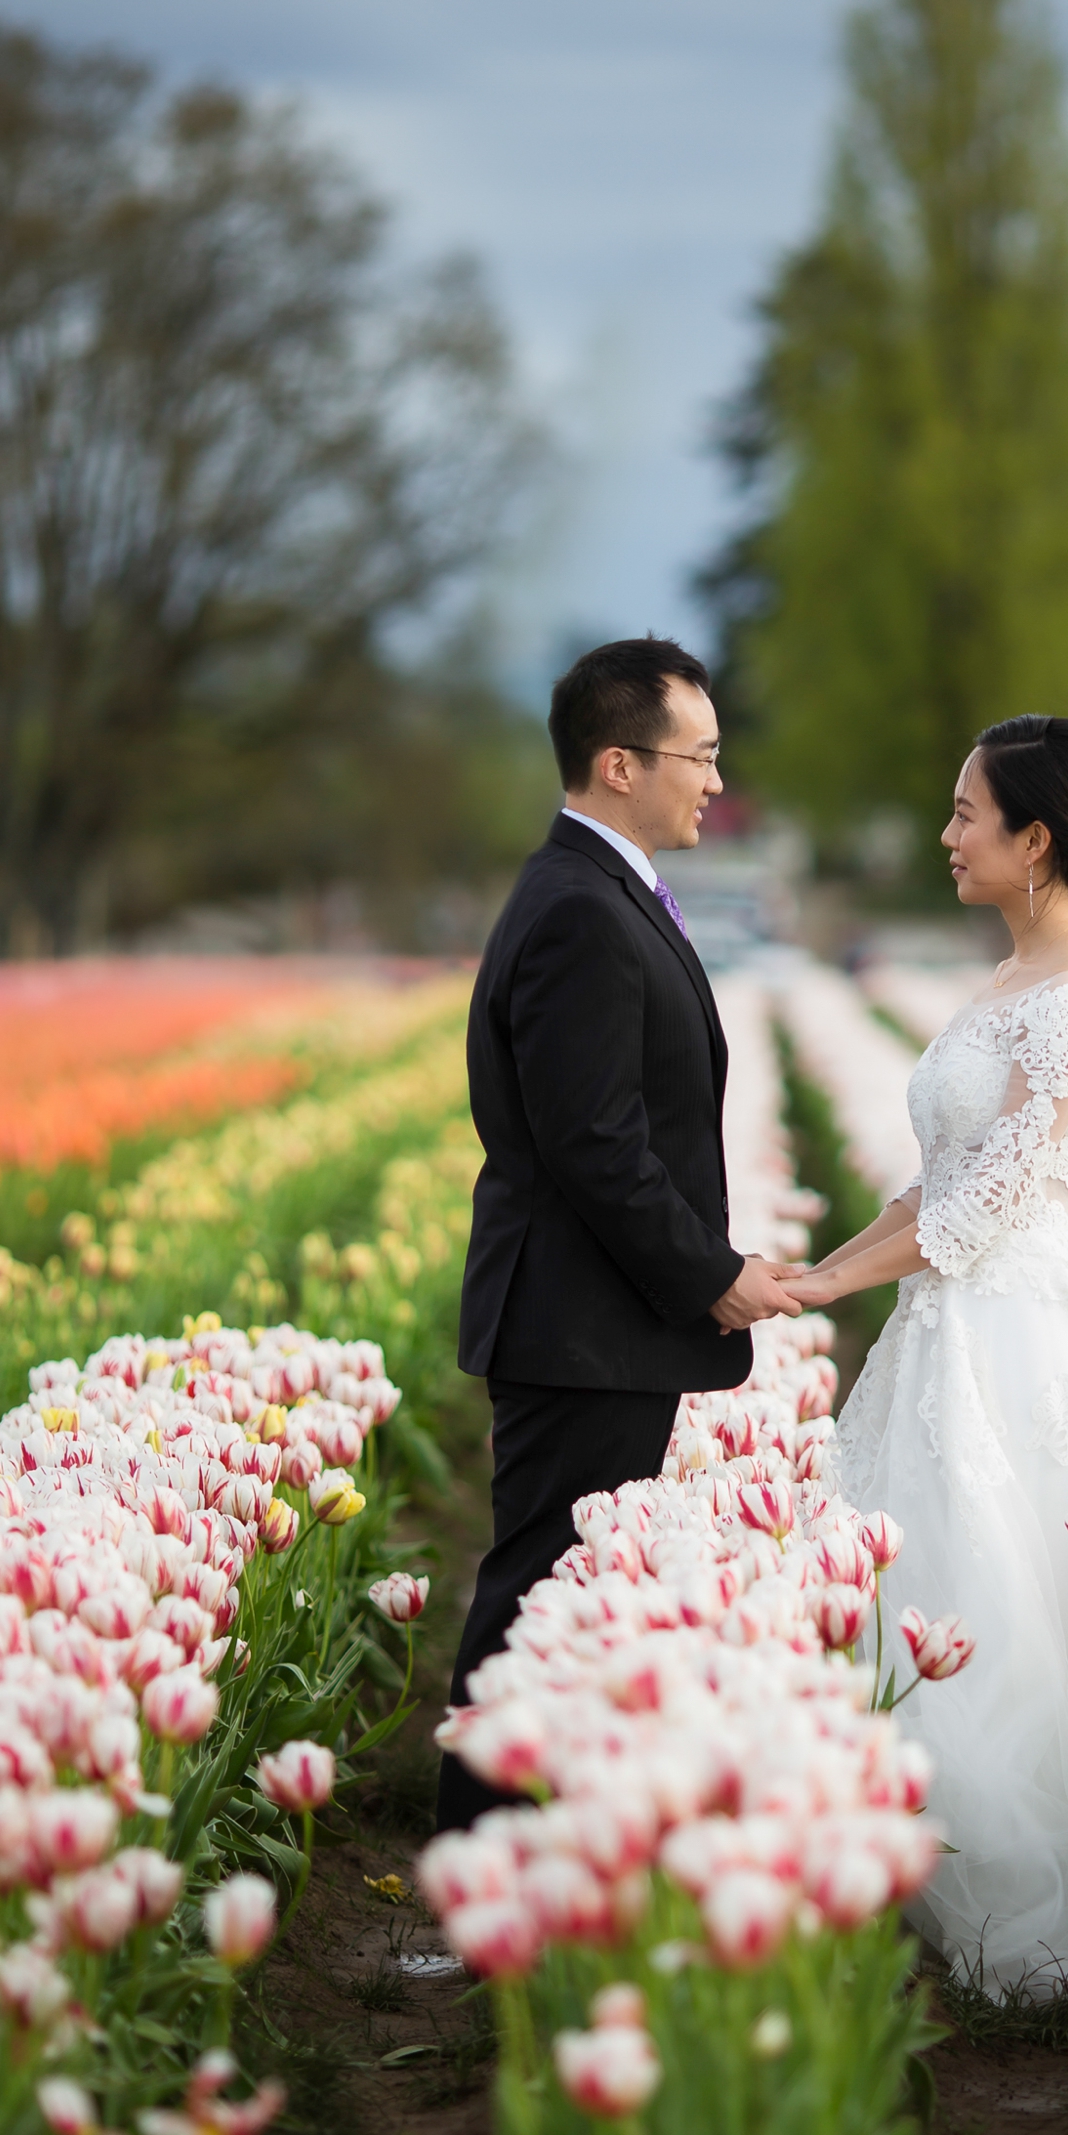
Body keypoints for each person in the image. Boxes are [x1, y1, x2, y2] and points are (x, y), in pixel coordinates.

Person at [788, 716, 1068, 1997]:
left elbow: (978, 1211)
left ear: (1033, 838)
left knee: (998, 1602)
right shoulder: (1016, 972)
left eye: (965, 814)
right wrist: (817, 1272)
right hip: (950, 1321)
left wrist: (826, 1283)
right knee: (928, 1585)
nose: (944, 834)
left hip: (1013, 1335)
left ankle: (1024, 1918)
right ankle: (903, 1869)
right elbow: (930, 1185)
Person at [438, 636, 804, 1832]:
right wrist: (712, 1277)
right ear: (615, 763)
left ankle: (538, 1857)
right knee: (536, 1603)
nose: (713, 779)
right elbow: (593, 1140)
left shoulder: (599, 891)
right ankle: (469, 1887)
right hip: (578, 1326)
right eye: (696, 756)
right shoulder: (580, 913)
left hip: (595, 1324)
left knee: (564, 1595)